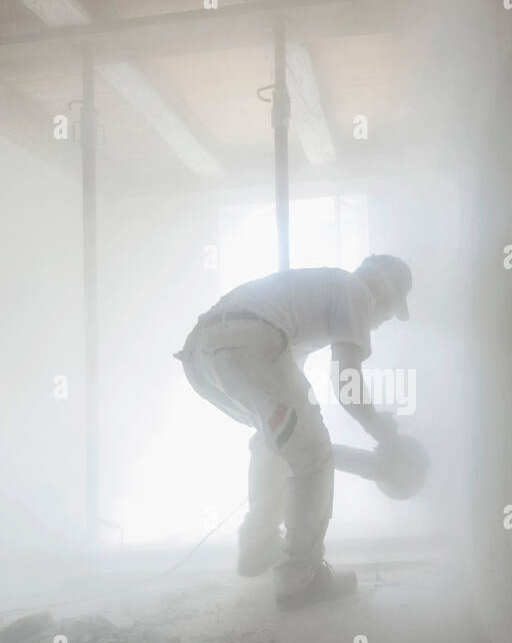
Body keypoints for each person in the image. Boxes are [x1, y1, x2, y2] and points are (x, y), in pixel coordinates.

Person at [175, 255, 413, 609]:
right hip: (246, 340)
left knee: (279, 445)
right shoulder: (356, 290)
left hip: (200, 358)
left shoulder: (299, 310)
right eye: (389, 312)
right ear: (382, 288)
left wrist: (372, 463)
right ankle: (301, 581)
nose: (378, 325)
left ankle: (258, 547)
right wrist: (386, 436)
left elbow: (299, 442)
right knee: (310, 454)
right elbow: (347, 387)